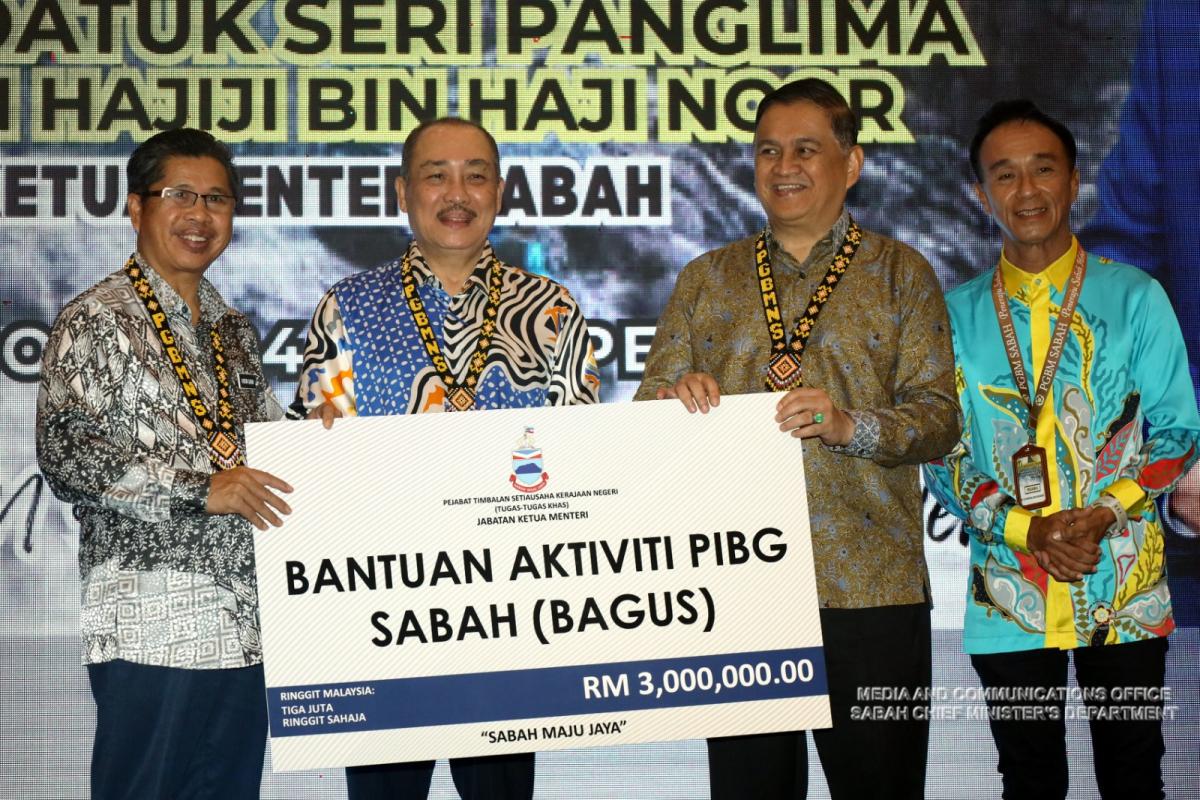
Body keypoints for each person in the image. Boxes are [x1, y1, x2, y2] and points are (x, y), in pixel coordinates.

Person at [635, 78, 960, 800]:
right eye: (768, 151)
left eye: (806, 150)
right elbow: (648, 411)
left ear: (852, 163)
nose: (784, 167)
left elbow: (940, 416)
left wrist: (851, 426)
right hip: (739, 592)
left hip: (870, 588)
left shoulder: (902, 274)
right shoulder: (706, 278)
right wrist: (673, 399)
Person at [289, 116, 601, 799]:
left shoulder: (551, 310)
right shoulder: (347, 309)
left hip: (509, 623)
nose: (457, 194)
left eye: (475, 176)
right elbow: (313, 468)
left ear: (499, 191)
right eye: (436, 176)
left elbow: (580, 462)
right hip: (385, 622)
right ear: (404, 192)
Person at [923, 99, 1200, 800]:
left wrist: (1104, 513)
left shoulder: (1135, 297)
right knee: (1029, 779)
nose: (1026, 190)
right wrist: (1029, 529)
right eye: (1005, 175)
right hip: (1008, 589)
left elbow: (1177, 432)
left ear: (1074, 180)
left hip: (1124, 585)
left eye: (1043, 170)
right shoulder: (953, 316)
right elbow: (941, 454)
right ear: (980, 194)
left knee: (1133, 775)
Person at [36, 128, 294, 799]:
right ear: (136, 207)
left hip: (243, 624)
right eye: (180, 195)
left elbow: (264, 446)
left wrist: (319, 434)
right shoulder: (97, 319)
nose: (199, 214)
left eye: (217, 199)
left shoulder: (232, 329)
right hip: (151, 624)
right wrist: (199, 489)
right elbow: (66, 452)